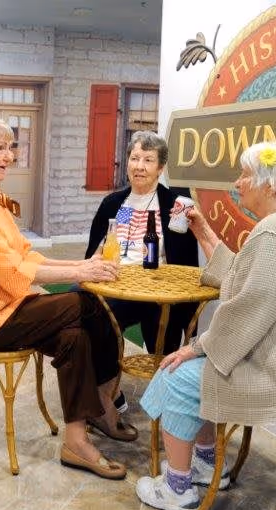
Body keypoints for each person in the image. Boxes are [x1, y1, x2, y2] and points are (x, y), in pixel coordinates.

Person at [135, 142, 276, 510]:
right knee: (195, 369)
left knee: (176, 376)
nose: (238, 183)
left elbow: (249, 310)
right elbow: (248, 278)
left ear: (271, 184)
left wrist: (196, 347)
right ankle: (204, 464)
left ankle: (177, 490)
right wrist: (202, 230)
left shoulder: (275, 234)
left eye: (245, 175)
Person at [0, 115, 137, 481]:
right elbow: (10, 270)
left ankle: (76, 441)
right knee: (88, 304)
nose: (9, 155)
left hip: (4, 305)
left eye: (10, 146)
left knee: (73, 337)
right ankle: (104, 404)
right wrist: (81, 274)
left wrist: (81, 263)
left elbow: (26, 255)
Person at [85, 130, 200, 412]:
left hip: (156, 288)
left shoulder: (173, 205)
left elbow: (185, 263)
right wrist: (97, 261)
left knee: (165, 323)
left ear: (160, 168)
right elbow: (101, 245)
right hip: (116, 283)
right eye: (134, 158)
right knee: (85, 311)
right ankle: (108, 389)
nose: (139, 166)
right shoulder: (116, 203)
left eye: (148, 160)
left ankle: (168, 396)